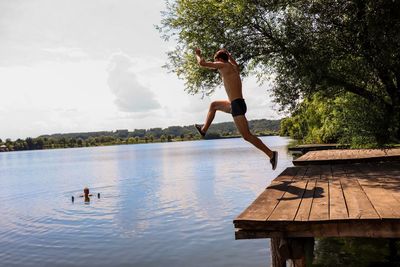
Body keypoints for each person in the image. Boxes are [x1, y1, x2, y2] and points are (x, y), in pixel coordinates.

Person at [194, 48, 278, 170]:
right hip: (235, 104)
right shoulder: (234, 67)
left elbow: (202, 63)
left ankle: (271, 154)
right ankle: (203, 130)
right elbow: (237, 64)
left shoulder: (223, 65)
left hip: (237, 105)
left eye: (216, 61)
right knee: (214, 105)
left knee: (247, 136)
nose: (216, 65)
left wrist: (198, 55)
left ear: (219, 59)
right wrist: (230, 56)